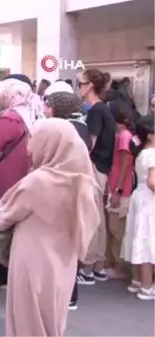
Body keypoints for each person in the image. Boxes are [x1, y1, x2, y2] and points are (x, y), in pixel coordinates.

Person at [0, 118, 99, 337]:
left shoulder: (38, 182)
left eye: (33, 138)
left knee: (27, 318)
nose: (29, 146)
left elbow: (3, 217)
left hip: (32, 260)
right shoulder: (84, 180)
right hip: (64, 261)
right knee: (53, 317)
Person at [0, 76, 32, 289]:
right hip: (24, 173)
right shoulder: (30, 115)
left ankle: (1, 273)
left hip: (6, 175)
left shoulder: (9, 119)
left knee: (2, 220)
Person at [44, 90, 90, 310]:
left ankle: (63, 292)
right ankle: (71, 293)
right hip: (78, 189)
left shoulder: (58, 129)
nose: (45, 110)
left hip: (60, 189)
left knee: (58, 245)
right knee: (70, 243)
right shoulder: (81, 127)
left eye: (49, 105)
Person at [77, 68, 116, 285]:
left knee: (91, 217)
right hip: (103, 168)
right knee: (98, 217)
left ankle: (89, 268)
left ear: (90, 85)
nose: (79, 87)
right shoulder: (105, 110)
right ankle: (98, 266)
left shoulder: (95, 111)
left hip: (93, 167)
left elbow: (89, 144)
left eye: (81, 83)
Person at [122, 115, 155, 300]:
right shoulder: (153, 154)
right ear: (150, 135)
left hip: (139, 196)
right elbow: (153, 182)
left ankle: (136, 281)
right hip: (150, 199)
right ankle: (147, 286)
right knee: (149, 242)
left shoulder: (142, 152)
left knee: (138, 237)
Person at [105, 100, 135, 280]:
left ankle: (119, 266)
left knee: (117, 229)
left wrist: (118, 189)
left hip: (120, 187)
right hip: (115, 184)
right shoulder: (121, 134)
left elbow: (125, 163)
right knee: (113, 226)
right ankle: (112, 262)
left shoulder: (124, 136)